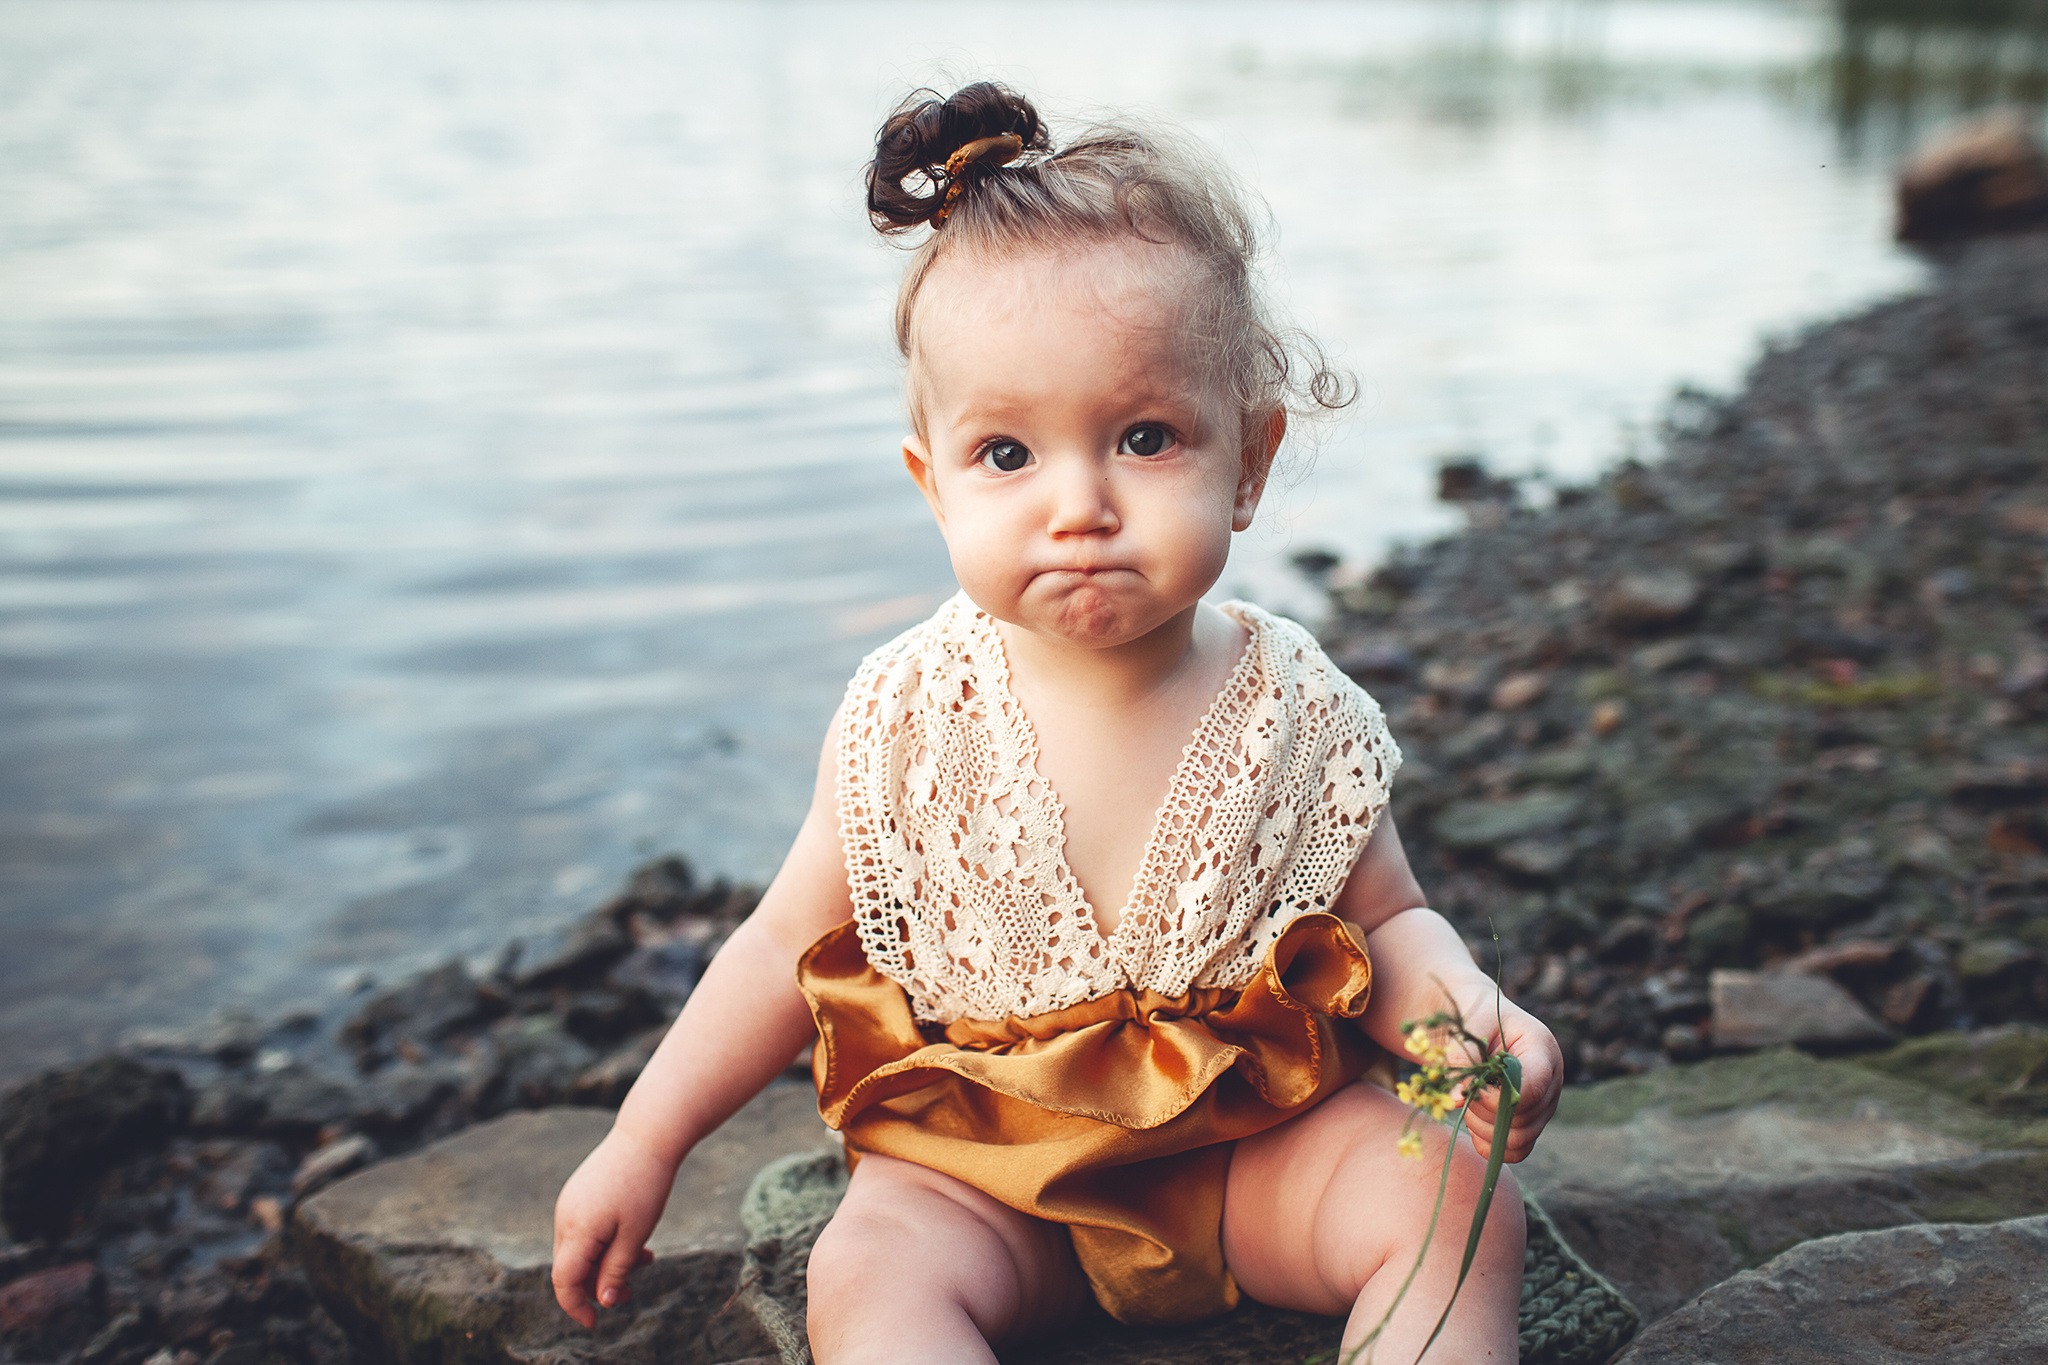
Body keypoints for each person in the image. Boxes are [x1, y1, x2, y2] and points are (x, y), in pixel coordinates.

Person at [552, 81, 1562, 1364]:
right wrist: (642, 1141)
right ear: (933, 484)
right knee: (867, 1269)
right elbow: (775, 954)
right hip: (985, 1173)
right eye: (1008, 456)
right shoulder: (907, 719)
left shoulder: (1295, 713)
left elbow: (1386, 924)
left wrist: (1463, 1026)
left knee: (1457, 1200)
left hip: (1252, 1153)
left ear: (1246, 462)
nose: (1076, 503)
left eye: (1143, 438)